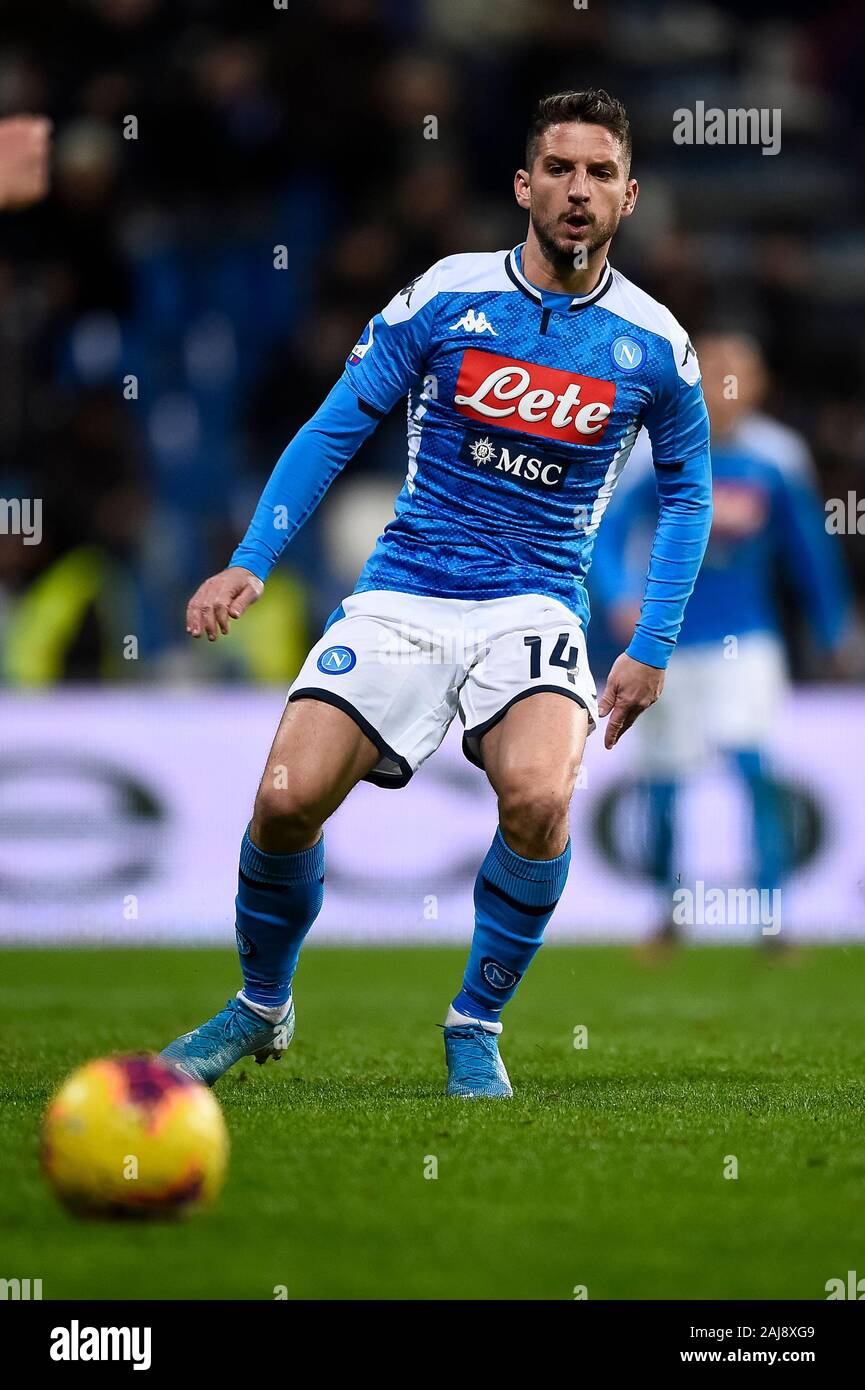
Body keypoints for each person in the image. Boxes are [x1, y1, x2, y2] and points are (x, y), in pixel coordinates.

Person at [160, 89, 712, 1099]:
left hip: (536, 604)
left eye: (598, 173)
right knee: (284, 802)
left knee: (541, 797)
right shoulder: (445, 296)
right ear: (522, 185)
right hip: (406, 590)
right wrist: (252, 557)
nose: (576, 191)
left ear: (629, 197)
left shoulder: (654, 344)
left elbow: (688, 493)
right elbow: (335, 425)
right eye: (558, 169)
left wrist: (654, 644)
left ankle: (475, 1021)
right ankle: (259, 1006)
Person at [591, 333, 853, 944]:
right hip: (665, 645)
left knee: (752, 763)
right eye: (714, 372)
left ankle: (773, 920)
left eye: (739, 373)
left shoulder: (777, 458)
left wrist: (832, 626)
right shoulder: (658, 449)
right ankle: (667, 912)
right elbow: (606, 533)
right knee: (662, 779)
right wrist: (620, 594)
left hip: (747, 639)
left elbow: (808, 549)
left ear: (758, 386)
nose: (725, 386)